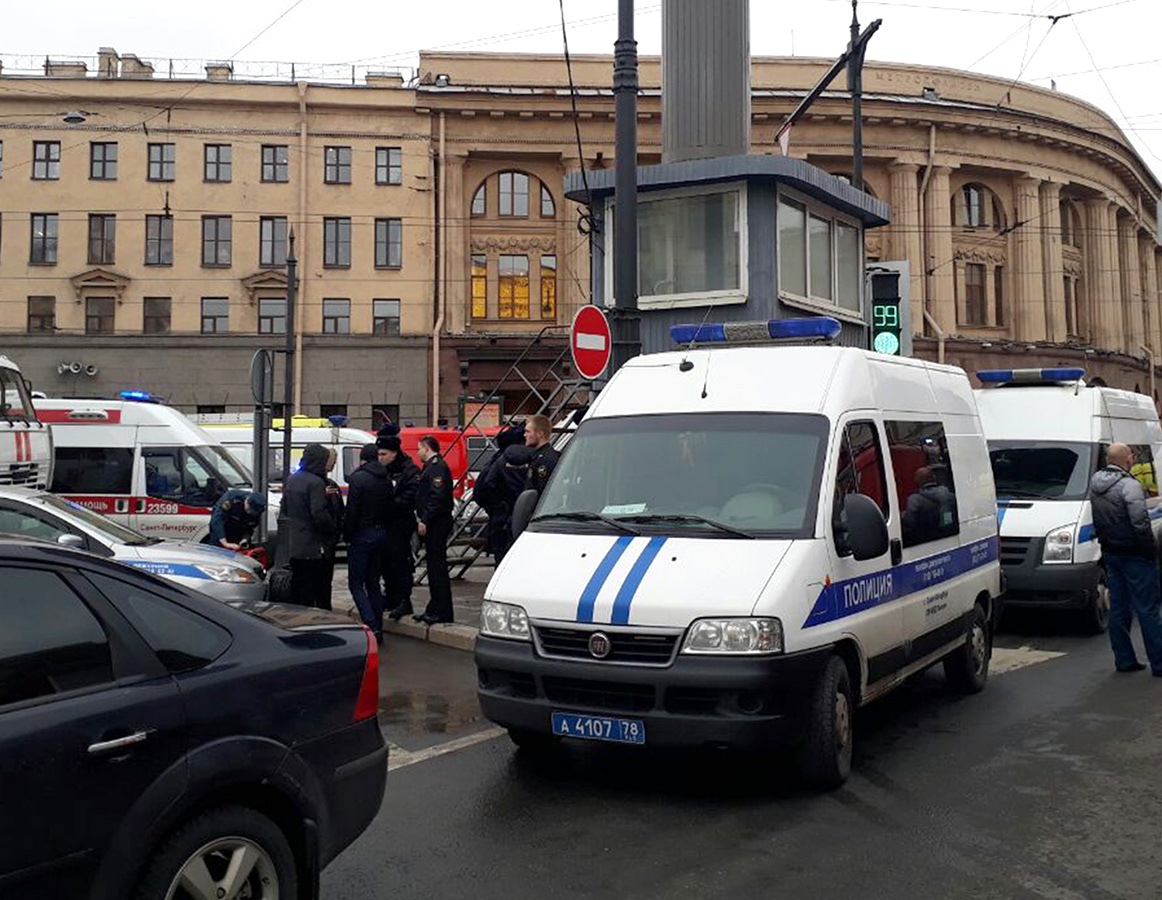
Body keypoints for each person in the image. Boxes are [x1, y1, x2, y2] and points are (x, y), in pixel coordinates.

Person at [1089, 442, 1162, 674]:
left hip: (1111, 552)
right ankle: (1159, 663)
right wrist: (1150, 550)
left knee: (1119, 607)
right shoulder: (1129, 486)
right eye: (1131, 455)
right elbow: (1140, 523)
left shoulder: (1095, 482)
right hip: (1135, 554)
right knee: (1147, 608)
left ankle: (1124, 659)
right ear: (1127, 459)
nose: (1133, 458)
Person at [280, 444, 339, 608]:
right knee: (318, 589)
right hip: (314, 546)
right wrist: (332, 529)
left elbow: (284, 508)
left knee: (298, 589)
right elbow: (319, 514)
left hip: (296, 545)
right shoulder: (316, 483)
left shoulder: (292, 479)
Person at [345, 444, 391, 641]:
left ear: (361, 459)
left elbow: (352, 511)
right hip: (381, 532)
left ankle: (371, 625)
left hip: (362, 534)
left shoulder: (358, 479)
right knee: (373, 582)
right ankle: (378, 624)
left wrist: (347, 535)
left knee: (356, 583)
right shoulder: (386, 479)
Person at [378, 434, 421, 622]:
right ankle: (391, 596)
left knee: (402, 564)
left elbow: (412, 496)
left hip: (402, 524)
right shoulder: (382, 471)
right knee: (386, 563)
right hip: (385, 524)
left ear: (394, 453)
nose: (380, 458)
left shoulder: (409, 471)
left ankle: (404, 600)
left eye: (384, 454)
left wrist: (391, 505)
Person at [414, 435, 455, 625]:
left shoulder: (437, 467)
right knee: (433, 567)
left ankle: (442, 610)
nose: (418, 453)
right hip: (434, 522)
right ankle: (434, 607)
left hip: (437, 523)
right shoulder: (431, 467)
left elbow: (437, 497)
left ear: (426, 448)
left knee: (437, 568)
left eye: (419, 449)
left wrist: (425, 519)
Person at [474, 438, 532, 565]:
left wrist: (495, 507)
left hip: (500, 518)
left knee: (501, 559)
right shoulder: (533, 459)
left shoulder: (499, 462)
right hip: (526, 516)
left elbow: (485, 487)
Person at [318, 447, 346, 611]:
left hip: (330, 540)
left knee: (326, 579)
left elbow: (339, 509)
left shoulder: (331, 484)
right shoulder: (315, 483)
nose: (334, 464)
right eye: (332, 460)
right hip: (319, 540)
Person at [524, 414, 560, 495]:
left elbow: (543, 492)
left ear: (540, 434)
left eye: (528, 431)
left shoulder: (546, 459)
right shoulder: (538, 456)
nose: (525, 435)